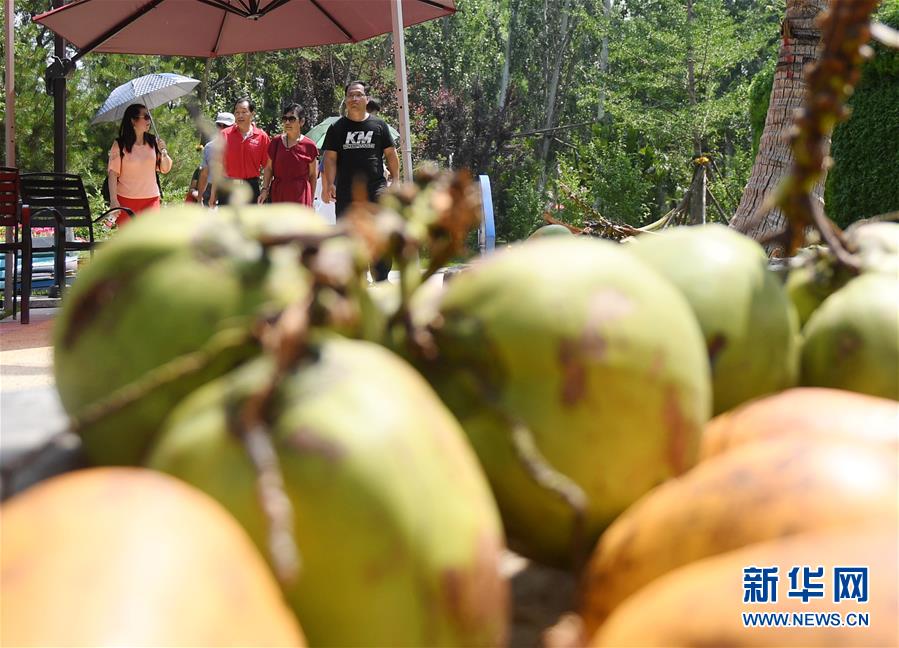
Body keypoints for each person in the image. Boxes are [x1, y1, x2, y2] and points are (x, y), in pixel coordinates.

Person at [322, 81, 400, 280]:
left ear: (366, 99)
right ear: (346, 100)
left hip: (376, 188)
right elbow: (330, 158)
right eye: (350, 95)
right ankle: (354, 277)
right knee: (347, 235)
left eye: (358, 95)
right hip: (346, 190)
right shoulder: (336, 128)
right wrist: (328, 185)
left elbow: (391, 154)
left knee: (380, 232)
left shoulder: (379, 126)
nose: (354, 99)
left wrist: (397, 180)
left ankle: (381, 276)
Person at [107, 103, 172, 226]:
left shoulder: (154, 142)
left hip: (151, 199)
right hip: (125, 201)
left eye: (149, 116)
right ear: (133, 121)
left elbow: (165, 169)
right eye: (146, 117)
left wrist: (164, 152)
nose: (150, 120)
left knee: (150, 240)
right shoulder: (119, 144)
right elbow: (112, 174)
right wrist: (114, 200)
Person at [211, 98, 270, 205]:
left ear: (252, 114)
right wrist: (213, 193)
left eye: (244, 112)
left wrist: (265, 189)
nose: (240, 115)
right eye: (237, 112)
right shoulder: (224, 135)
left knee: (249, 221)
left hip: (251, 188)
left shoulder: (262, 137)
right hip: (227, 188)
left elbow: (268, 166)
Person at [259, 103, 318, 206]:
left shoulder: (309, 146)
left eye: (292, 119)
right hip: (278, 195)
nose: (287, 122)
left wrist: (311, 200)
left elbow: (313, 175)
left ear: (301, 121)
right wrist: (264, 189)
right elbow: (268, 168)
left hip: (300, 196)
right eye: (284, 118)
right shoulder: (276, 142)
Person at [197, 111, 234, 206]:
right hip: (210, 189)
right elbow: (204, 174)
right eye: (219, 125)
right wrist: (200, 196)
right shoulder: (209, 147)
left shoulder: (240, 147)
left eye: (225, 126)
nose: (221, 128)